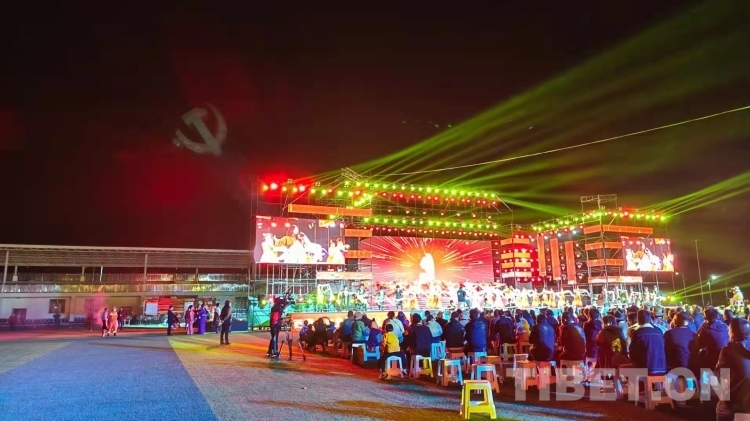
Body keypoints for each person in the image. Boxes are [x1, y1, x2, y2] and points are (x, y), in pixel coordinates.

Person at [716, 318, 750, 421]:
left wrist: (724, 401)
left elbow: (722, 376)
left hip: (740, 405)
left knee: (722, 409)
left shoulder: (728, 350)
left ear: (731, 332)